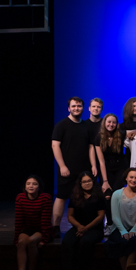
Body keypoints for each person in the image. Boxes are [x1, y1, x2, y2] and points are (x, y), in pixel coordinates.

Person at [51, 97, 95, 238]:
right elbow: (55, 145)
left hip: (84, 170)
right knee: (62, 197)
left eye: (79, 106)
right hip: (67, 169)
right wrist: (62, 166)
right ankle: (55, 227)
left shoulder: (86, 126)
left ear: (83, 108)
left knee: (84, 197)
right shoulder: (62, 125)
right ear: (69, 108)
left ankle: (83, 225)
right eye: (74, 106)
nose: (77, 108)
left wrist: (93, 165)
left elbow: (90, 147)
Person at [62, 172, 106, 270]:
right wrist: (79, 227)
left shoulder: (99, 196)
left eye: (89, 181)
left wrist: (86, 228)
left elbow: (100, 216)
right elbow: (70, 216)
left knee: (85, 241)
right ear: (80, 184)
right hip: (78, 227)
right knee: (67, 241)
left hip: (94, 228)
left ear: (93, 182)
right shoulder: (75, 197)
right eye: (84, 182)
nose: (87, 183)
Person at [107, 168, 136, 270]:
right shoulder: (117, 194)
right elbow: (115, 216)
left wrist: (133, 229)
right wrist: (123, 231)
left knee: (135, 241)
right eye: (131, 177)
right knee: (121, 241)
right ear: (126, 178)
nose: (133, 180)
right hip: (119, 228)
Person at [14, 176, 52, 270]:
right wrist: (16, 238)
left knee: (31, 242)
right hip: (27, 229)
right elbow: (19, 220)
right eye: (28, 184)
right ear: (25, 187)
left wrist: (44, 239)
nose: (31, 186)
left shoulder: (45, 198)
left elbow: (45, 220)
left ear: (39, 187)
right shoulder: (20, 198)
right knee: (21, 243)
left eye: (34, 184)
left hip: (40, 229)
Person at [95, 114, 127, 232]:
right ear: (104, 123)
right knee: (107, 195)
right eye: (109, 122)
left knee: (116, 195)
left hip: (120, 168)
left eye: (113, 122)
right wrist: (105, 181)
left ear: (116, 124)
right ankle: (109, 223)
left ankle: (119, 223)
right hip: (106, 169)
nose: (111, 124)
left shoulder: (121, 134)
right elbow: (101, 162)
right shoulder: (98, 138)